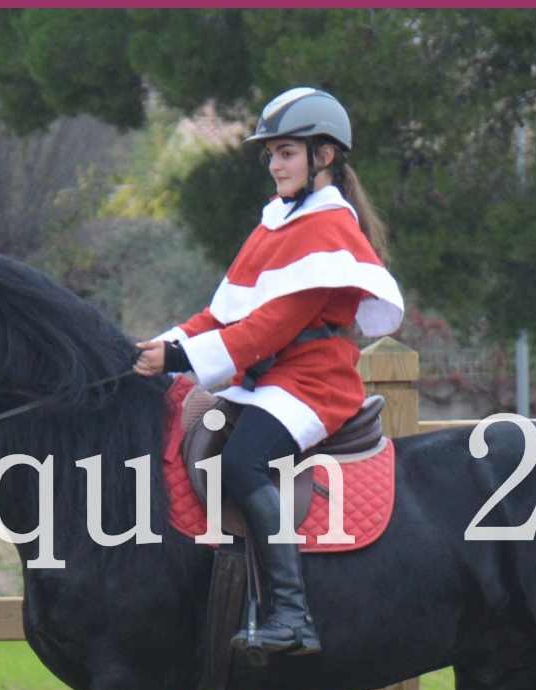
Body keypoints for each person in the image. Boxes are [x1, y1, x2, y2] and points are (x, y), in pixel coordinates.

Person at [134, 87, 403, 657]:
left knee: (243, 459)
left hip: (313, 383)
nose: (275, 165)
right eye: (272, 155)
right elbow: (221, 314)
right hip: (266, 379)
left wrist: (181, 359)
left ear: (323, 156)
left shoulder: (329, 230)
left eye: (286, 152)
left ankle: (290, 613)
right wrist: (159, 346)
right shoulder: (277, 223)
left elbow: (270, 329)